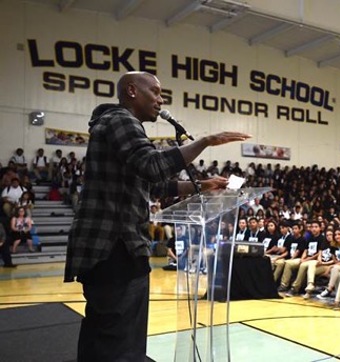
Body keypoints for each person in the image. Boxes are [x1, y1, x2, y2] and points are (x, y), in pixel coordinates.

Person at [63, 71, 250, 362]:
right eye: (156, 91)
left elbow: (155, 184)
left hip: (111, 248)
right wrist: (205, 141)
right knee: (120, 339)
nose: (161, 100)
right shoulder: (120, 120)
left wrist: (201, 185)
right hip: (115, 246)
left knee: (105, 332)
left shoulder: (116, 124)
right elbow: (153, 167)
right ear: (132, 91)